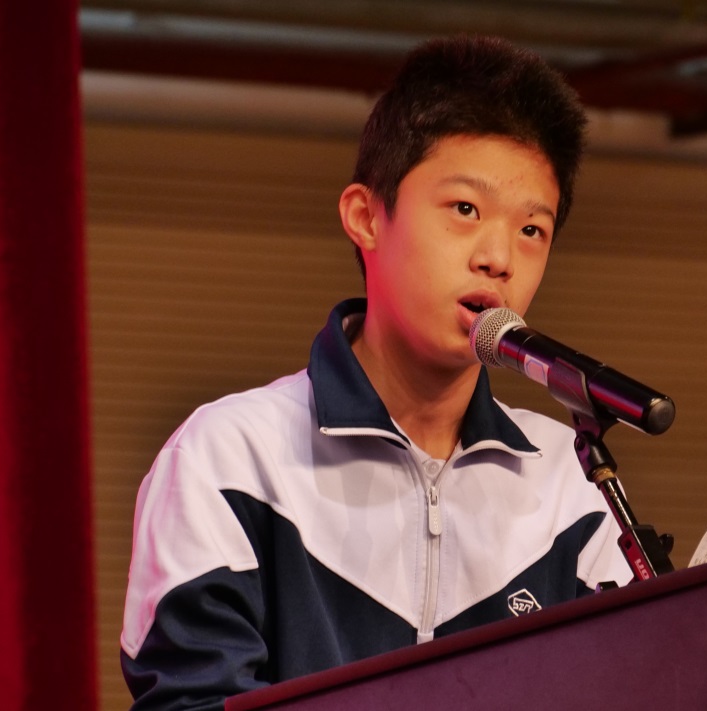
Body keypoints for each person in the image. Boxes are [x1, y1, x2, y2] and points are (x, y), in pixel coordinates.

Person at [119, 35, 633, 710]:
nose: (499, 258)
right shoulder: (229, 459)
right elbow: (193, 698)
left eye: (532, 230)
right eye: (466, 210)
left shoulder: (569, 483)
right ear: (366, 217)